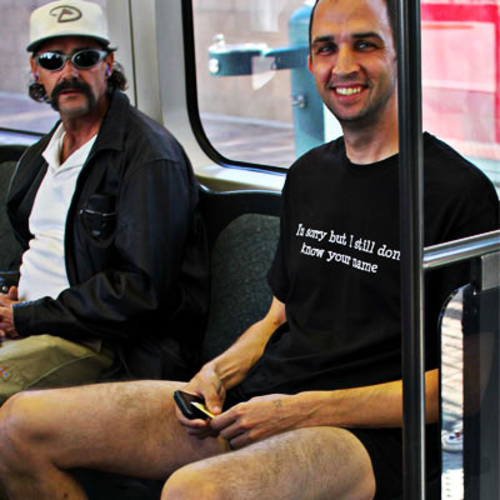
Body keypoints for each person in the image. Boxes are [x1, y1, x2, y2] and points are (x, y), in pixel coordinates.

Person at [0, 0, 497, 498]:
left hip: (365, 435)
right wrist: (215, 373)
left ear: (400, 54)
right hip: (262, 400)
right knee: (18, 426)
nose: (344, 66)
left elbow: (466, 386)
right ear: (310, 62)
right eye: (326, 48)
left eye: (365, 45)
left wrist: (301, 410)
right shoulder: (308, 176)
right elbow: (277, 318)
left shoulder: (459, 195)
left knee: (194, 491)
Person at [0, 0, 209, 401]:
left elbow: (140, 293)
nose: (69, 73)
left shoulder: (148, 157)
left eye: (85, 58)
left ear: (108, 64)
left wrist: (27, 318)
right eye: (52, 60)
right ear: (36, 71)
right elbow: (43, 250)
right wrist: (12, 291)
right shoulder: (43, 155)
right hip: (39, 321)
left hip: (106, 345)